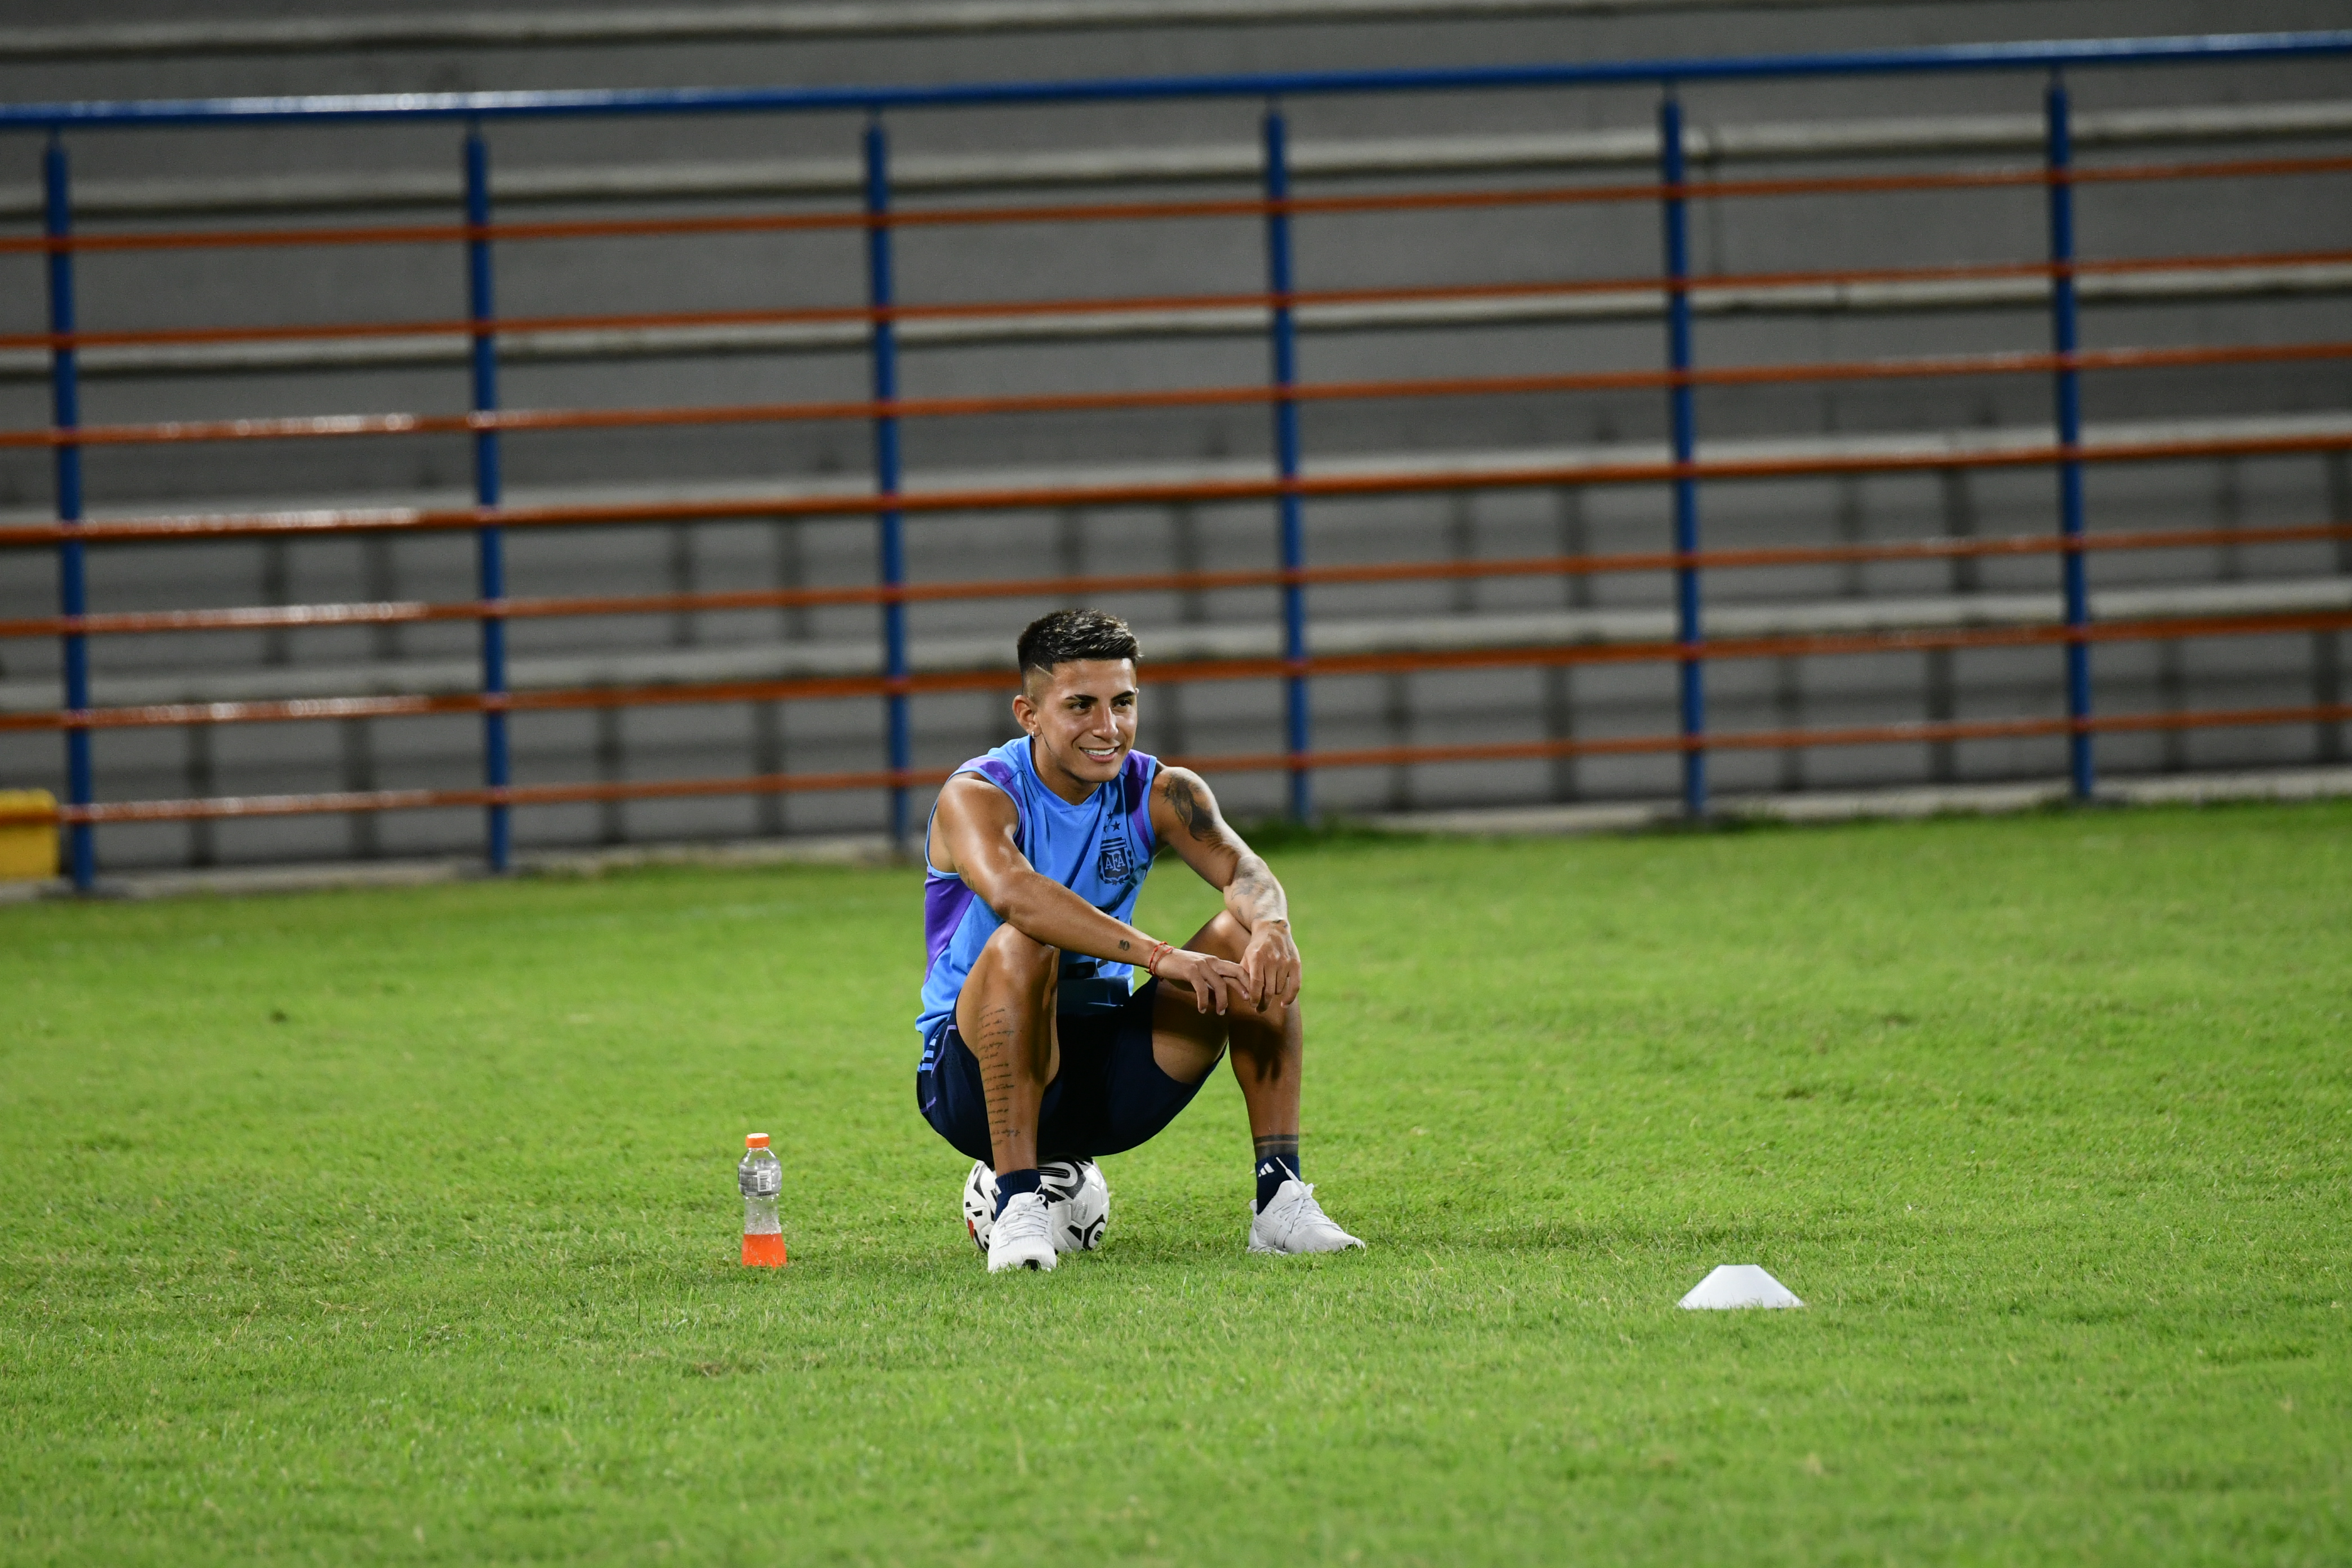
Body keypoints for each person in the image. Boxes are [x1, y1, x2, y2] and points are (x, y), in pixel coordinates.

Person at [916, 608, 1364, 1271]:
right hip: (972, 1082)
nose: (1108, 728)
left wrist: (1273, 925)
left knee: (1244, 935)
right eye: (1081, 706)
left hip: (1108, 1078)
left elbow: (1244, 870)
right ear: (1028, 714)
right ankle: (1017, 1205)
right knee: (1023, 940)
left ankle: (1280, 1198)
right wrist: (1162, 957)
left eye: (1123, 703)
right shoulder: (978, 794)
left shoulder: (1162, 790)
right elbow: (1017, 895)